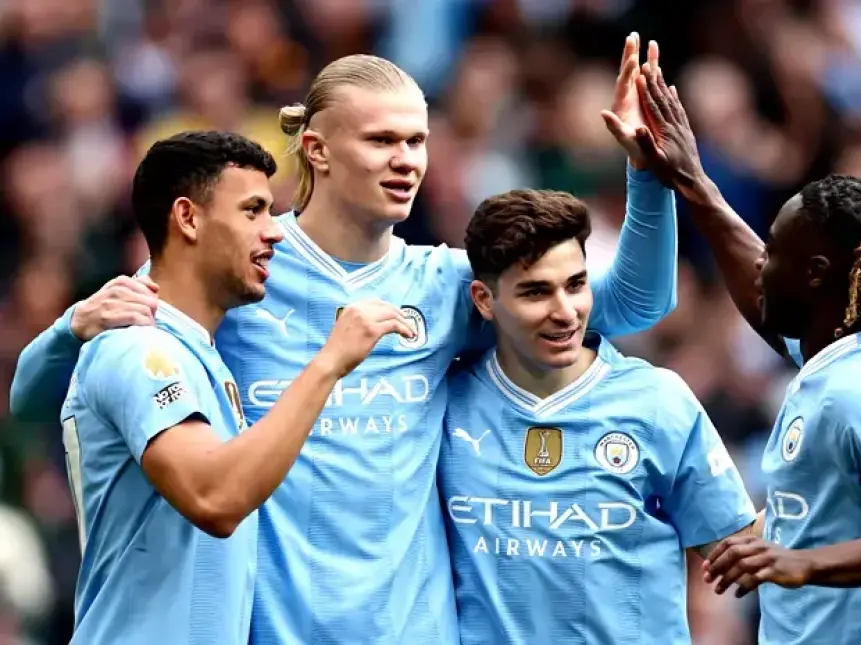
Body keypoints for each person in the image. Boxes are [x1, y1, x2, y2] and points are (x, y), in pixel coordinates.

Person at [11, 38, 681, 644]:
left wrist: (649, 178)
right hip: (270, 630)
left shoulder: (446, 284)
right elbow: (39, 398)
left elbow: (630, 303)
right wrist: (70, 330)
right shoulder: (240, 269)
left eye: (417, 141)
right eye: (382, 140)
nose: (406, 160)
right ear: (318, 150)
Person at [630, 63, 861, 644]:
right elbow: (761, 294)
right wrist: (695, 183)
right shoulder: (853, 348)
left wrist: (802, 563)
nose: (761, 266)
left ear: (815, 275)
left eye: (775, 253)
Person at [60, 130, 414, 644]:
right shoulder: (139, 350)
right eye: (253, 211)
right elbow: (215, 497)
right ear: (188, 218)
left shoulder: (203, 356)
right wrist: (329, 364)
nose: (275, 232)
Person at [440, 188, 757, 644]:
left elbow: (738, 548)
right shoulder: (445, 403)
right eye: (536, 292)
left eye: (576, 285)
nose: (565, 312)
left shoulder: (657, 400)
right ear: (484, 300)